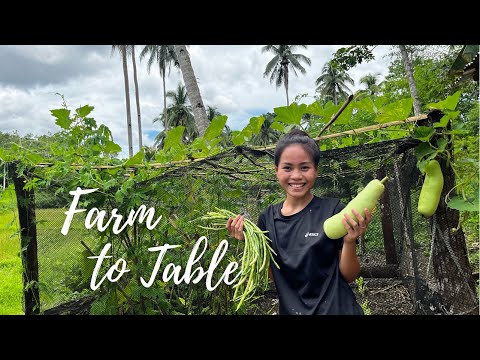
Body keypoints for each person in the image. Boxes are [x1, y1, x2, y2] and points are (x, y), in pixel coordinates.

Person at [226, 129, 370, 315]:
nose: (296, 176)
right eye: (287, 168)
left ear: (316, 170)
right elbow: (274, 275)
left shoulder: (334, 211)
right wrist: (251, 243)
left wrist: (350, 241)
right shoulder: (267, 218)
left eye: (304, 167)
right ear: (276, 170)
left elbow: (349, 276)